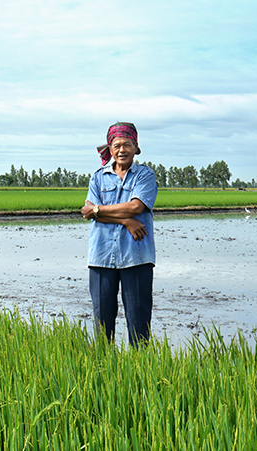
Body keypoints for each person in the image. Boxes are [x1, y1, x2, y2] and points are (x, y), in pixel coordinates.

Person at [81, 122, 158, 347]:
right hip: (101, 257)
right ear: (110, 149)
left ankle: (139, 372)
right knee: (102, 323)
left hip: (136, 257)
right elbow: (88, 213)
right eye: (117, 145)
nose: (122, 150)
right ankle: (106, 373)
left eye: (127, 144)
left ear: (136, 147)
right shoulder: (98, 177)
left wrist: (98, 210)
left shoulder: (145, 175)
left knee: (139, 324)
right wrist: (125, 220)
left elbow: (135, 207)